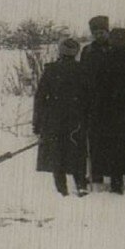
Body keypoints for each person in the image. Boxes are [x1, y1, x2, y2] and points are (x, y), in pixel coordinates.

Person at [90, 28, 125, 194]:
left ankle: (116, 185)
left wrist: (97, 113)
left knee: (114, 150)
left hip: (110, 115)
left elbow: (98, 92)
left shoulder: (103, 63)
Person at [33, 38, 90, 196]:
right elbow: (89, 97)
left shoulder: (51, 70)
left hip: (54, 119)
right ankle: (80, 185)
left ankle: (62, 189)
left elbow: (40, 98)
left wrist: (38, 122)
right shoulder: (82, 69)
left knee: (57, 153)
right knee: (77, 152)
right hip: (76, 119)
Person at [80, 15, 111, 185]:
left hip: (112, 102)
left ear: (107, 32)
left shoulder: (114, 49)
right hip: (93, 102)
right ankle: (97, 174)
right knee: (95, 140)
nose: (99, 36)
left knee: (111, 140)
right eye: (96, 33)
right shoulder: (87, 51)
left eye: (102, 32)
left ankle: (113, 173)